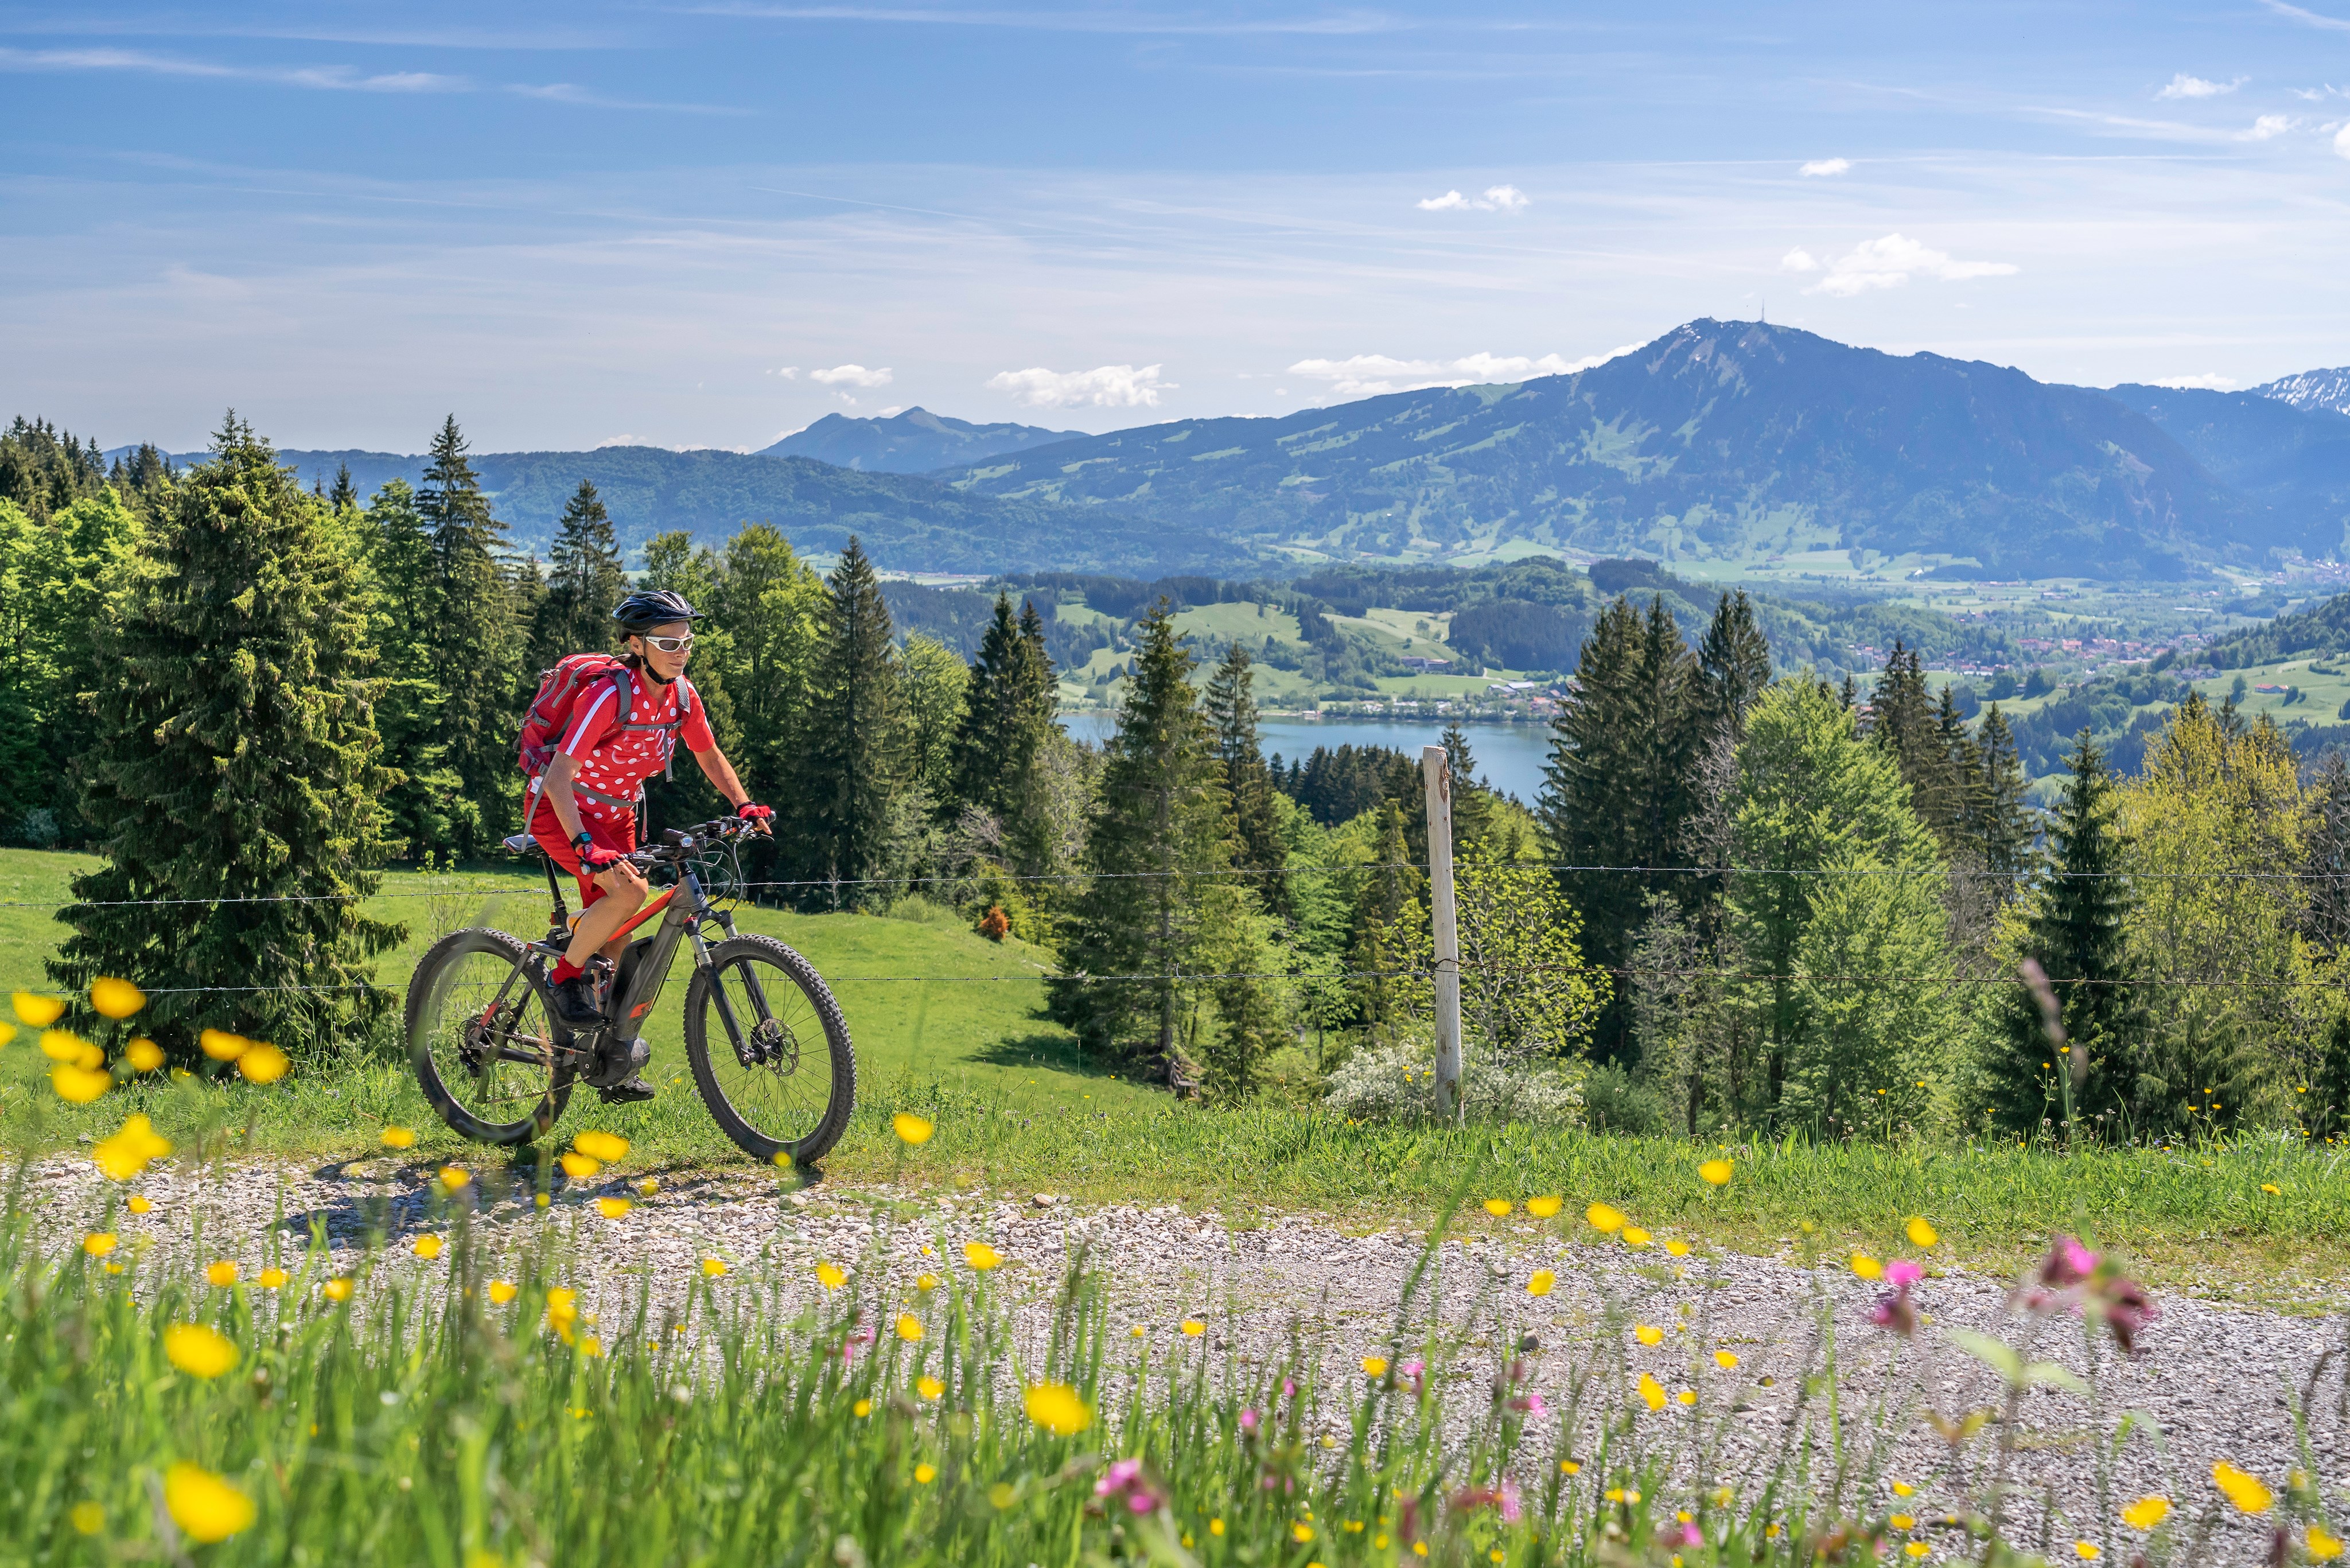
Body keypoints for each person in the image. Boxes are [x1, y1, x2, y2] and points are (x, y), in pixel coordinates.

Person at [530, 589, 772, 1100]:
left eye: (687, 640)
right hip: (562, 809)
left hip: (616, 815)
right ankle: (563, 976)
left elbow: (708, 754)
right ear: (637, 645)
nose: (680, 650)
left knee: (618, 936)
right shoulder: (609, 695)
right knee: (630, 893)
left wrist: (744, 804)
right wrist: (583, 842)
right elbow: (557, 777)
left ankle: (609, 1057)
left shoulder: (683, 696)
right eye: (667, 641)